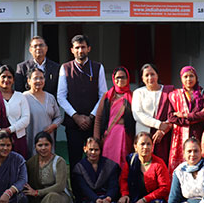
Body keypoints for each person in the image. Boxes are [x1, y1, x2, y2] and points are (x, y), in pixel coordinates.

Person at [57, 34, 107, 167]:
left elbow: (103, 95)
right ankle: (76, 182)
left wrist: (91, 117)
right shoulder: (65, 68)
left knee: (95, 159)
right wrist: (76, 116)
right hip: (73, 124)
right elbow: (61, 96)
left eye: (83, 47)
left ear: (89, 49)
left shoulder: (98, 67)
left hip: (93, 123)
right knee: (75, 161)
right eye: (77, 47)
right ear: (72, 50)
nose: (80, 50)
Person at [114, 132, 171, 203]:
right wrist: (124, 194)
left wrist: (145, 199)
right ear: (135, 146)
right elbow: (123, 179)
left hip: (152, 200)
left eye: (149, 144)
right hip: (134, 197)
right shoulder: (131, 160)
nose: (146, 147)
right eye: (142, 144)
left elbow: (165, 188)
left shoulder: (158, 164)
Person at [22, 132, 73, 203]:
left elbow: (60, 186)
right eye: (40, 145)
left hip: (60, 196)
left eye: (46, 144)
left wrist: (37, 192)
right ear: (35, 147)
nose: (43, 148)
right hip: (39, 198)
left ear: (51, 145)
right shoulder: (32, 162)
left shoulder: (59, 161)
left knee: (52, 196)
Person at [167, 65, 204, 172]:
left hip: (199, 134)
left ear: (196, 77)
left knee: (199, 162)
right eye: (185, 76)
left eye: (191, 76)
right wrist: (192, 120)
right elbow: (171, 117)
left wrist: (186, 115)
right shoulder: (175, 95)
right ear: (181, 78)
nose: (188, 79)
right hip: (180, 136)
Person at [72, 137, 120, 203]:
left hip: (106, 198)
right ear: (85, 149)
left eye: (96, 150)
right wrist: (96, 199)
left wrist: (108, 199)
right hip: (89, 199)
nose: (93, 152)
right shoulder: (79, 167)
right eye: (91, 149)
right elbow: (84, 188)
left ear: (100, 150)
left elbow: (114, 185)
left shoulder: (109, 165)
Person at [0, 65, 30, 159]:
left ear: (13, 80)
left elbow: (26, 118)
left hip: (17, 139)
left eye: (9, 77)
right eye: (3, 76)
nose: (6, 80)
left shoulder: (20, 97)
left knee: (16, 164)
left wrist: (10, 130)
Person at [131, 63, 175, 164]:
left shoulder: (169, 91)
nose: (150, 77)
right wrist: (158, 125)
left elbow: (173, 113)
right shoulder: (138, 92)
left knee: (162, 163)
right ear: (142, 78)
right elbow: (137, 114)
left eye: (152, 74)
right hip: (144, 134)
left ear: (157, 75)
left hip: (164, 135)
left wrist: (163, 130)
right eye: (146, 75)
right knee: (143, 164)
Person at [94, 66, 135, 169]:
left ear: (128, 78)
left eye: (123, 77)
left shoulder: (133, 96)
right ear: (113, 79)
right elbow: (98, 118)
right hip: (109, 135)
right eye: (117, 77)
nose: (120, 80)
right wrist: (96, 138)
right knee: (108, 164)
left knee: (124, 164)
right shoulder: (107, 96)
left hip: (126, 135)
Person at [23, 67, 62, 157]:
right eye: (35, 78)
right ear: (29, 81)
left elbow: (58, 117)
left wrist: (53, 126)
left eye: (41, 78)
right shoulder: (23, 97)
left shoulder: (50, 97)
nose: (39, 81)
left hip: (48, 137)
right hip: (30, 138)